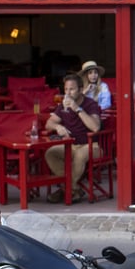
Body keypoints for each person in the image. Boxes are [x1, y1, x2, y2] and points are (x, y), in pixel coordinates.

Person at [44, 72, 102, 204]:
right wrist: (58, 127)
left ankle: (65, 189)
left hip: (91, 145)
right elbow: (49, 123)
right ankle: (73, 189)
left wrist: (77, 109)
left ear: (81, 90)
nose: (68, 93)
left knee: (79, 156)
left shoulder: (90, 104)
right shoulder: (63, 105)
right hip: (71, 145)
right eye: (66, 89)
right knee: (51, 153)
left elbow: (95, 127)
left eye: (72, 89)